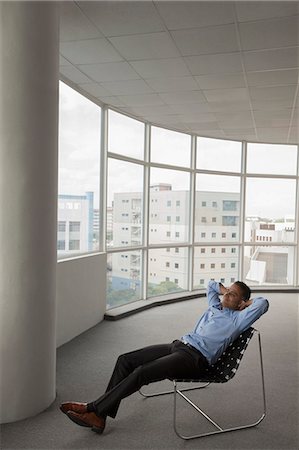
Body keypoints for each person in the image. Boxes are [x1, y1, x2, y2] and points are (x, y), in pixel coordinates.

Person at [60, 280, 269, 434]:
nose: (226, 296)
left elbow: (263, 303)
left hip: (195, 359)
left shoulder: (238, 320)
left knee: (143, 372)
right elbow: (210, 285)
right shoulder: (215, 307)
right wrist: (225, 289)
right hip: (178, 346)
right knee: (126, 360)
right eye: (227, 292)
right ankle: (100, 416)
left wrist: (246, 303)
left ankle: (93, 409)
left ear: (241, 303)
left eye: (233, 295)